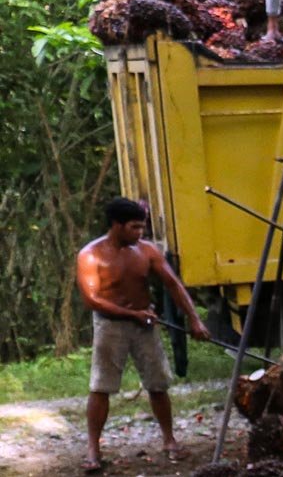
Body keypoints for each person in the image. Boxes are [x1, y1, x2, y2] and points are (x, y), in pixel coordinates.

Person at [76, 198, 211, 473]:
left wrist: (195, 320)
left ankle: (169, 441)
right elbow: (92, 299)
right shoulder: (90, 255)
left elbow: (173, 284)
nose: (140, 233)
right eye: (135, 227)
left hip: (144, 323)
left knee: (158, 383)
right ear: (117, 225)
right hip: (110, 325)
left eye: (142, 227)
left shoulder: (146, 251)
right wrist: (131, 315)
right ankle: (93, 450)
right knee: (101, 387)